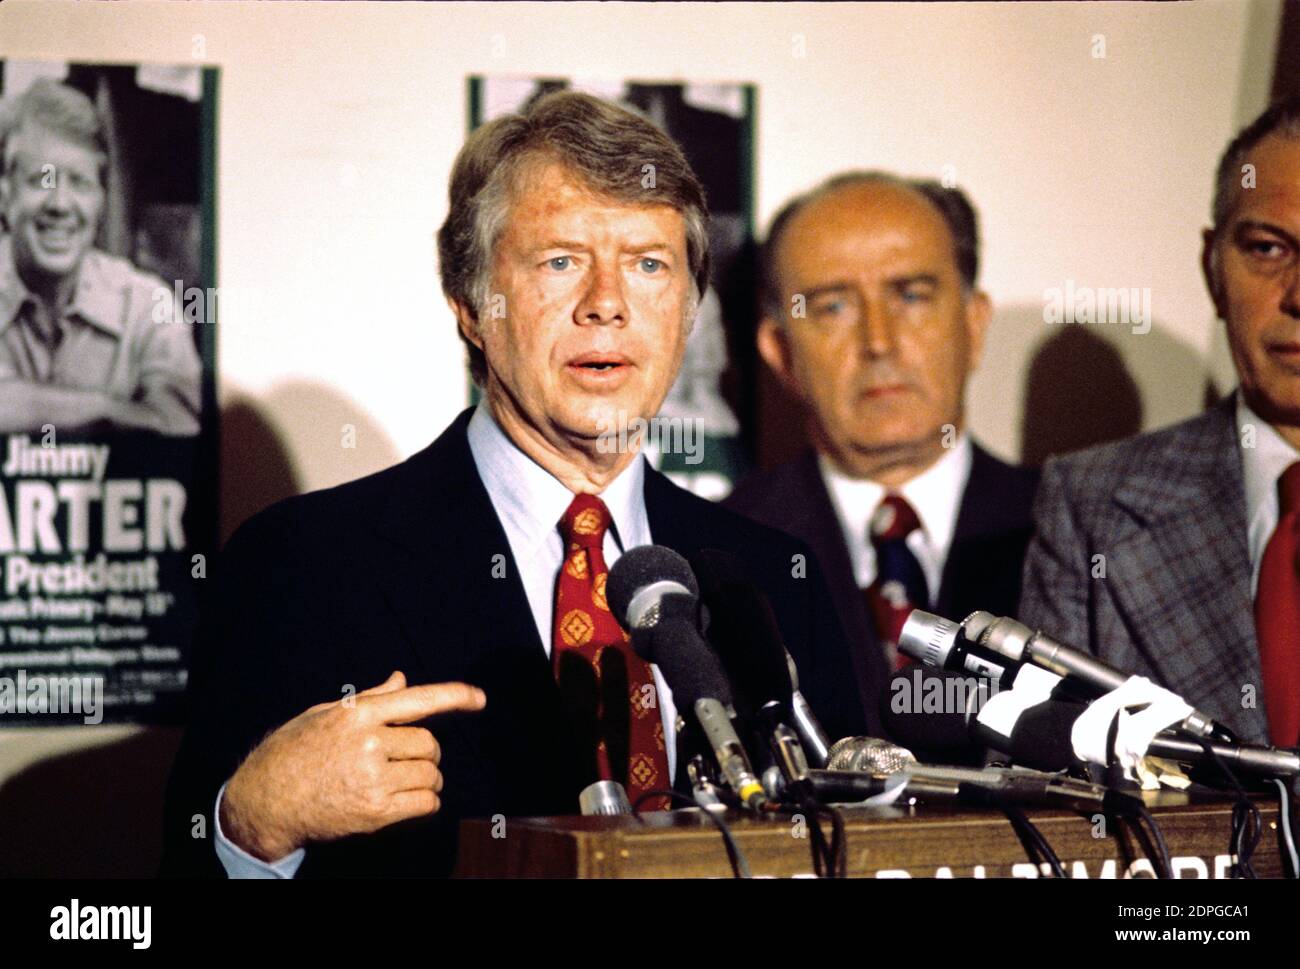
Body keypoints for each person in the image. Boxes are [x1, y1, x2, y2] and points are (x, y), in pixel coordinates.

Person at [161, 91, 866, 878]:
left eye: (648, 264)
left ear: (688, 309)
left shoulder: (776, 575)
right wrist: (252, 823)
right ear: (471, 305)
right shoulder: (303, 563)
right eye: (560, 261)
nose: (606, 305)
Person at [1020, 98, 1300, 748]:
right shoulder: (1088, 504)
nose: (1298, 293)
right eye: (1267, 247)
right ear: (1213, 268)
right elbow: (1042, 797)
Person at [727, 172, 1038, 723]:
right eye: (832, 307)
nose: (879, 342)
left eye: (912, 296)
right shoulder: (724, 550)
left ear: (974, 324)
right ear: (779, 351)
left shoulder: (1064, 527)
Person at [0, 79, 200, 437]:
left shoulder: (145, 305)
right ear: (5, 197)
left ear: (101, 201)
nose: (60, 204)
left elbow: (182, 425)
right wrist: (107, 409)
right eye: (39, 180)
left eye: (79, 182)